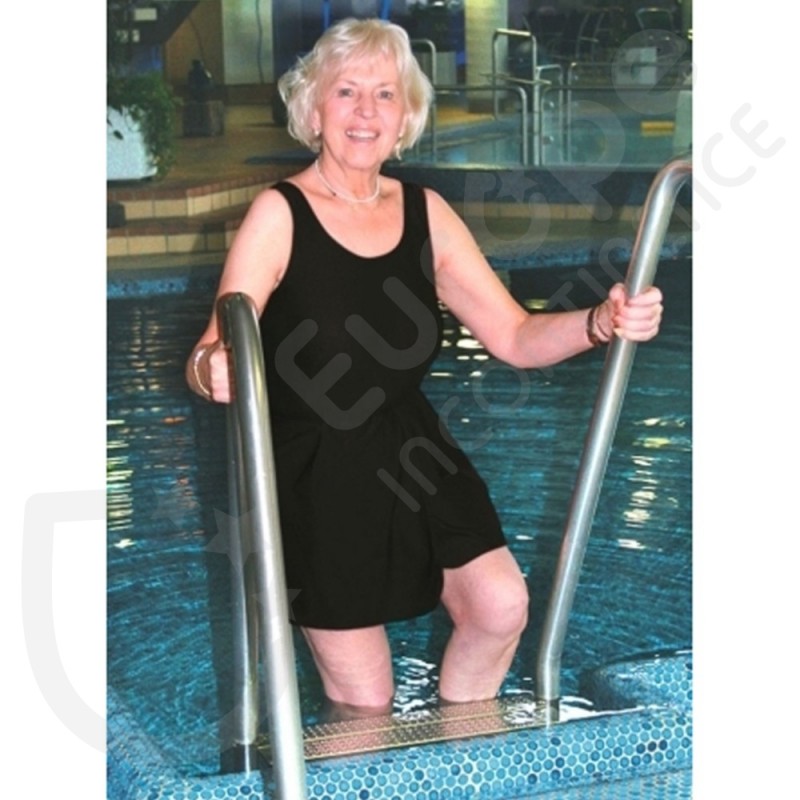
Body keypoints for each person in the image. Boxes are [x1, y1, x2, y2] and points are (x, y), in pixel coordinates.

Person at [186, 18, 663, 717]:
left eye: (385, 94)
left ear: (406, 116)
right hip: (314, 468)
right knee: (366, 699)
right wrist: (216, 369)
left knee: (500, 606)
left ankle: (460, 750)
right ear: (313, 111)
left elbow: (514, 334)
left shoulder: (425, 212)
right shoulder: (279, 214)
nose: (365, 112)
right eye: (346, 92)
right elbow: (208, 352)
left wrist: (600, 322)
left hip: (412, 450)